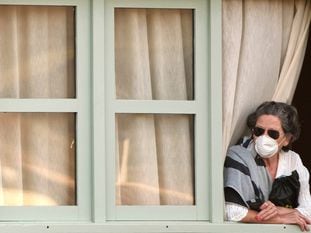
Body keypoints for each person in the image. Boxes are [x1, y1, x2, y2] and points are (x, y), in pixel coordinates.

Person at [224, 101, 311, 231]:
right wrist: (279, 218)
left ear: (287, 139)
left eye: (273, 133)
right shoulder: (238, 156)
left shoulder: (293, 161)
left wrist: (275, 210)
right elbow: (231, 210)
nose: (264, 137)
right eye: (259, 131)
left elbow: (308, 211)